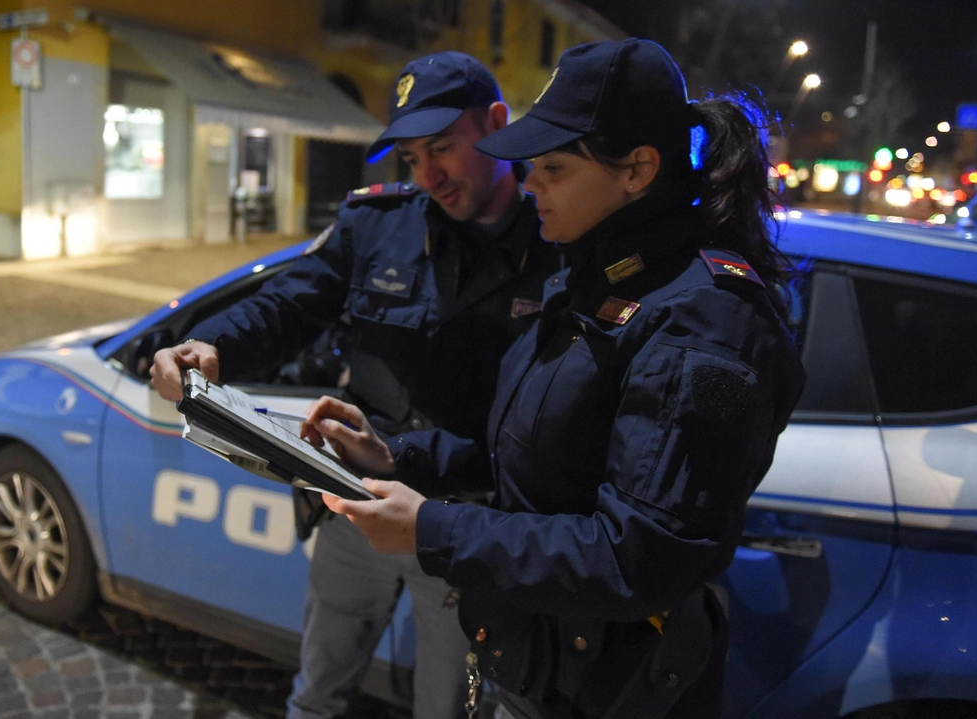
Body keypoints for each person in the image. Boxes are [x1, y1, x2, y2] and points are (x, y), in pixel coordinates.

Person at [304, 38, 807, 719]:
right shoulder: (593, 275)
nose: (529, 181)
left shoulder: (702, 321)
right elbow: (535, 453)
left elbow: (637, 555)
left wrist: (435, 528)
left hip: (607, 690)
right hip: (540, 665)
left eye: (553, 166)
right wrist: (400, 457)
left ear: (637, 170)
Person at [149, 52, 563, 719]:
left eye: (442, 149)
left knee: (449, 710)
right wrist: (214, 344)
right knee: (316, 694)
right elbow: (290, 301)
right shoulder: (378, 223)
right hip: (353, 503)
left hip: (464, 525)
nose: (427, 176)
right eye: (409, 158)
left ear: (494, 123)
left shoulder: (556, 239)